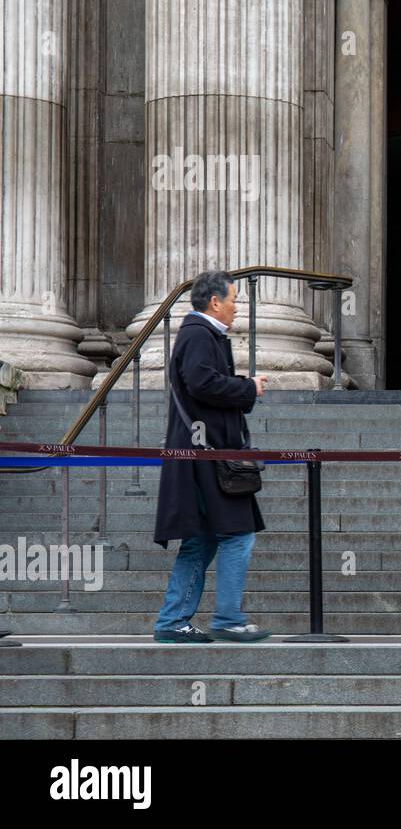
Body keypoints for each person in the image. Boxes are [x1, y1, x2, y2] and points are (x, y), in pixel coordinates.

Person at [153, 270, 270, 643]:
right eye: (234, 299)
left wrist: (242, 391)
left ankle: (173, 621)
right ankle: (228, 618)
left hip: (201, 454)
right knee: (238, 535)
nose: (238, 308)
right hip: (206, 456)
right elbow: (201, 384)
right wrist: (247, 388)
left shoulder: (200, 335)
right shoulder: (199, 335)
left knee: (202, 540)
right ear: (215, 301)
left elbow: (201, 385)